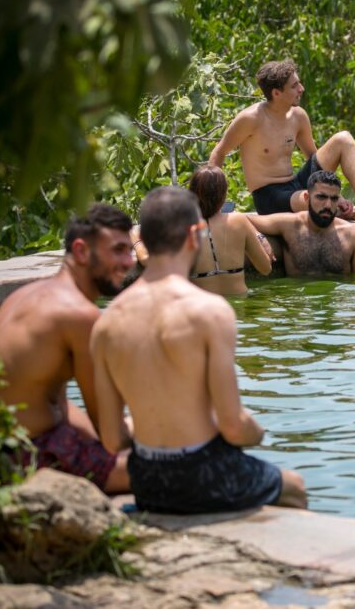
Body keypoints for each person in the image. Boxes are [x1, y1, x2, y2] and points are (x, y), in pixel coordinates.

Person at [90, 186, 307, 514]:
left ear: (145, 241)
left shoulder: (106, 324)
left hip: (146, 478)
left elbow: (112, 438)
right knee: (294, 487)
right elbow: (233, 426)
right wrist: (257, 431)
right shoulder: (209, 312)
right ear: (195, 234)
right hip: (201, 473)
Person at [0, 204, 134, 494]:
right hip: (26, 458)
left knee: (141, 428)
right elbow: (109, 433)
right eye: (118, 250)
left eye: (129, 250)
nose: (128, 261)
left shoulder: (26, 296)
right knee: (169, 468)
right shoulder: (78, 315)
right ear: (80, 250)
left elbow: (57, 400)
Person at [207, 59, 355, 231]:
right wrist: (214, 204)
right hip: (270, 196)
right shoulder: (250, 119)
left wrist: (335, 195)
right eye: (294, 85)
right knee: (313, 198)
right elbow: (219, 152)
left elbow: (313, 159)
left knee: (343, 139)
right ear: (276, 93)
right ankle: (338, 209)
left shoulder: (298, 116)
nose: (301, 88)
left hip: (297, 184)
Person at [245, 170, 355, 277]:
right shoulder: (290, 225)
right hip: (299, 303)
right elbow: (242, 219)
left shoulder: (353, 235)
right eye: (321, 197)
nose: (328, 205)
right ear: (306, 198)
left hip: (338, 304)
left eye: (334, 199)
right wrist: (259, 236)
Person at [184, 165, 272, 295]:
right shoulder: (239, 221)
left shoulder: (183, 226)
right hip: (238, 307)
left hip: (201, 306)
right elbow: (265, 269)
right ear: (224, 194)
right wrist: (259, 236)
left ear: (192, 193)